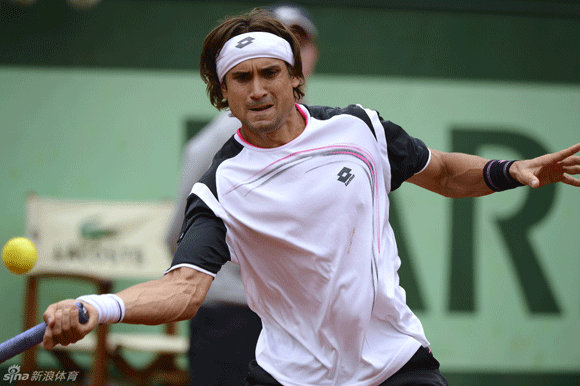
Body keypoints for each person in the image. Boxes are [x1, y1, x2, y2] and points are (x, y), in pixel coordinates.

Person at [42, 8, 580, 386]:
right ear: (222, 92)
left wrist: (509, 169)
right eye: (241, 78)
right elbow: (182, 291)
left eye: (271, 73)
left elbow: (440, 172)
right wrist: (99, 306)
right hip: (290, 375)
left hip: (394, 361)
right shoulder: (221, 185)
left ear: (295, 77)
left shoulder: (360, 130)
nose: (258, 89)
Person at [164, 3, 320, 384]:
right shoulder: (223, 138)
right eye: (282, 38)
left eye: (301, 42)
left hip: (294, 325)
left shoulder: (323, 132)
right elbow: (179, 236)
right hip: (230, 322)